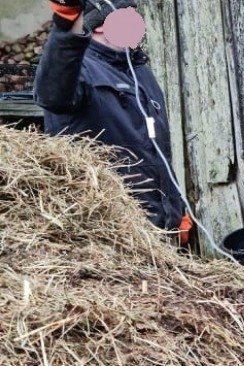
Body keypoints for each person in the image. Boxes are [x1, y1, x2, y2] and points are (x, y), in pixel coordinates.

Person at [34, 0, 192, 245]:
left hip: (155, 234)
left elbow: (155, 150)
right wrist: (67, 22)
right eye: (126, 16)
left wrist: (176, 211)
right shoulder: (79, 71)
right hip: (105, 236)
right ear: (98, 25)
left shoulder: (139, 71)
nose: (136, 22)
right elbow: (51, 93)